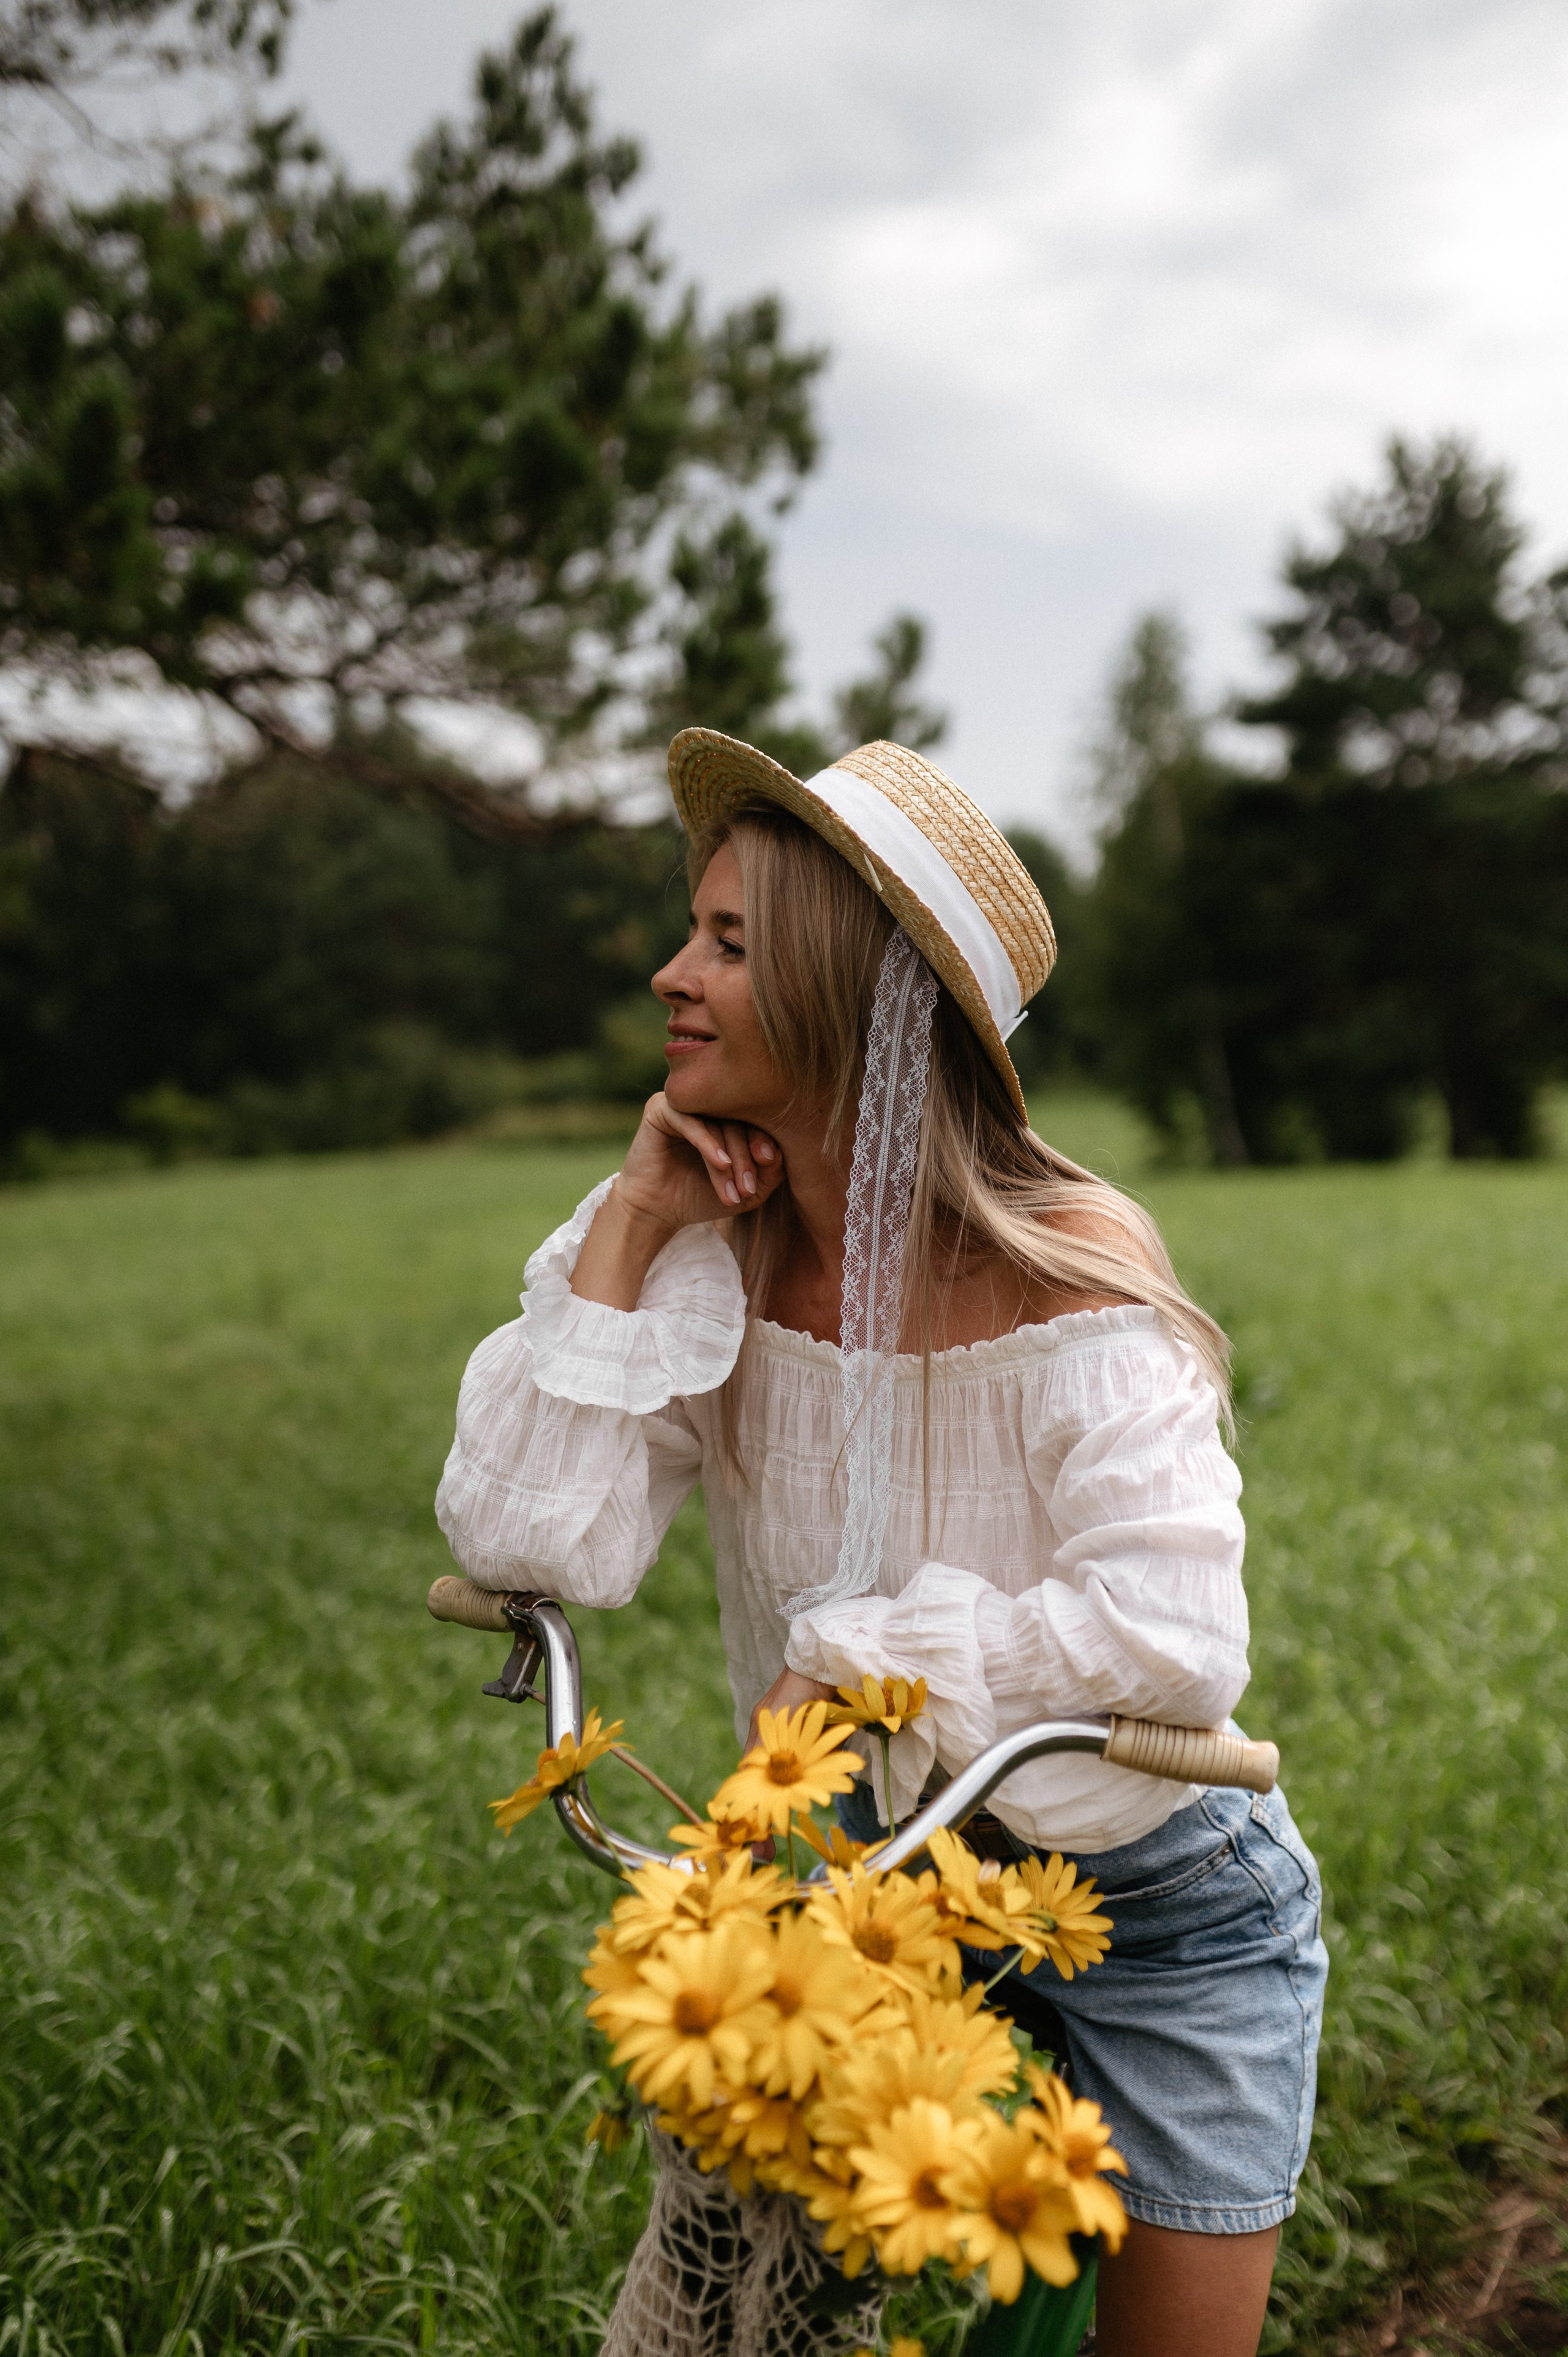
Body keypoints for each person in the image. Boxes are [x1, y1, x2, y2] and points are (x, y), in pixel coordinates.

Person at [436, 730, 1327, 2357]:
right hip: (867, 1886)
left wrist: (856, 1662)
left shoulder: (1076, 1292)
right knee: (757, 2315)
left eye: (725, 942)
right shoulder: (706, 1257)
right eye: (687, 933)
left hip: (1150, 1914)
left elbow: (1176, 1642)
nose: (667, 975)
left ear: (851, 993)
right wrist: (636, 1226)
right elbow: (528, 1545)